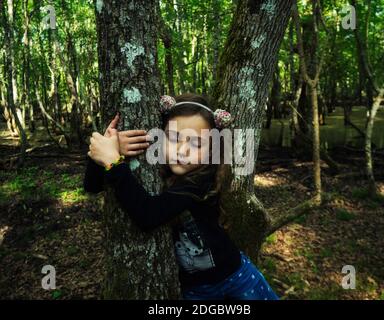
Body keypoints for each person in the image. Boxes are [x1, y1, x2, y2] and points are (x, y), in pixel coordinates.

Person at [84, 93, 279, 300]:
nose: (182, 150)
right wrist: (104, 154)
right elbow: (92, 186)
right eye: (174, 138)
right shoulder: (158, 170)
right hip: (194, 292)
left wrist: (113, 162)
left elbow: (148, 215)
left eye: (196, 144)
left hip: (236, 280)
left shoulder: (200, 182)